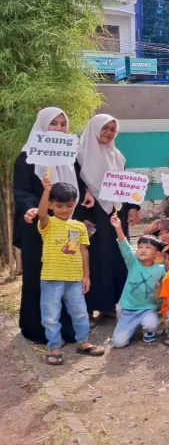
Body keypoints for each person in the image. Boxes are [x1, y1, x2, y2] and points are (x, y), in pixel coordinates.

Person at [14, 107, 93, 343]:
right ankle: (37, 328)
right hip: (38, 227)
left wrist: (86, 193)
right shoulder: (27, 157)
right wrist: (31, 207)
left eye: (62, 124)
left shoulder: (69, 156)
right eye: (53, 123)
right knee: (39, 276)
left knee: (67, 274)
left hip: (67, 228)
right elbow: (21, 190)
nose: (58, 128)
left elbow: (75, 186)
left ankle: (67, 328)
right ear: (42, 125)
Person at [36, 177, 104, 365]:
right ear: (51, 205)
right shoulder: (48, 224)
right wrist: (46, 190)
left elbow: (83, 251)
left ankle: (83, 342)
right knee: (51, 316)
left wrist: (86, 276)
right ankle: (54, 347)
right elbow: (41, 213)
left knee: (80, 312)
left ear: (74, 204)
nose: (64, 210)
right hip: (51, 278)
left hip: (74, 279)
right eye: (59, 206)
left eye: (68, 205)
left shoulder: (78, 226)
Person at [77, 114, 138, 318]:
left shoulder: (117, 156)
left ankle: (112, 304)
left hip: (115, 213)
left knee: (117, 256)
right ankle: (89, 306)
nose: (109, 133)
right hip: (90, 214)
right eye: (105, 128)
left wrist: (133, 207)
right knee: (94, 258)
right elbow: (73, 185)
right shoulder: (78, 155)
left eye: (113, 129)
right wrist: (80, 211)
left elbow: (124, 184)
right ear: (95, 128)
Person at [109, 216, 165, 348]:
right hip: (128, 309)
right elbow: (125, 247)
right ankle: (129, 325)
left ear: (157, 254)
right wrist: (118, 227)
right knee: (118, 343)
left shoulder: (161, 270)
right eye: (140, 247)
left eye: (148, 247)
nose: (142, 250)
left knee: (151, 324)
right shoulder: (133, 263)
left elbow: (165, 289)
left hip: (147, 308)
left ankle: (148, 331)